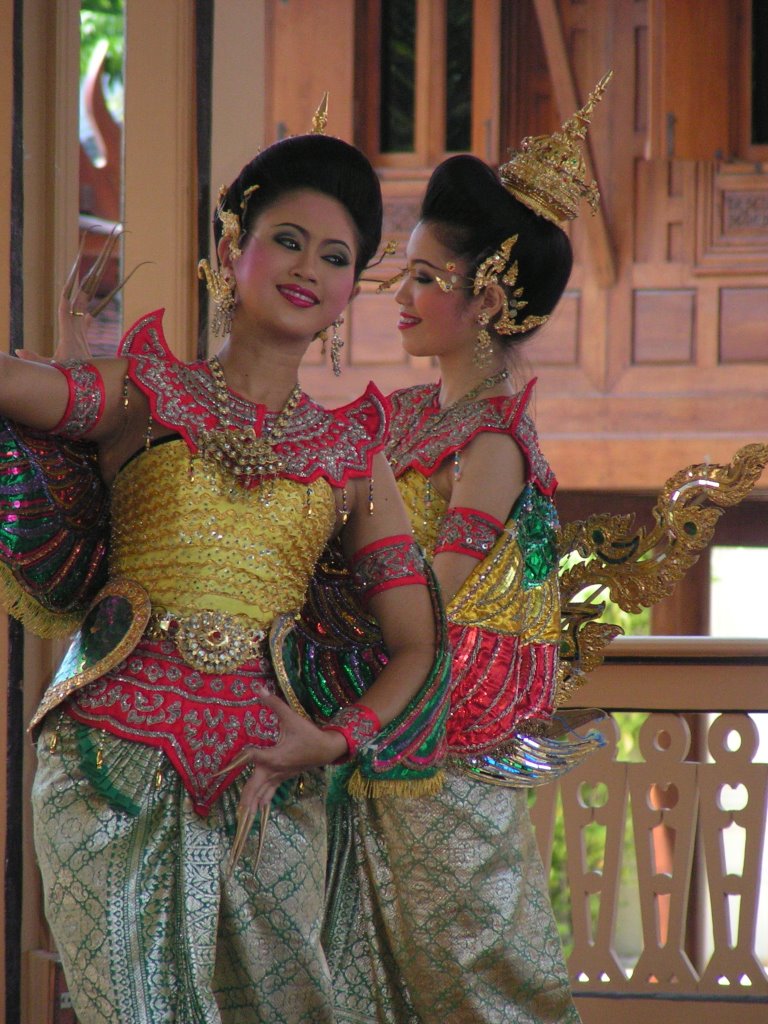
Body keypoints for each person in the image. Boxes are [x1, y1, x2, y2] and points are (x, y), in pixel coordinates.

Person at [0, 127, 448, 1024]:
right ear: (229, 249)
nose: (307, 269)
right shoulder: (143, 393)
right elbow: (21, 388)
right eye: (286, 239)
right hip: (107, 758)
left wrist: (332, 742)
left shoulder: (353, 459)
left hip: (266, 780)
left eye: (336, 258)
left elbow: (414, 645)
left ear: (346, 294)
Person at [323, 77, 613, 1024]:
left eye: (422, 277)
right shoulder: (406, 416)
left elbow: (426, 603)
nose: (395, 293)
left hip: (441, 744)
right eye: (401, 271)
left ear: (487, 298)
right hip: (379, 720)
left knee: (465, 971)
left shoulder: (490, 445)